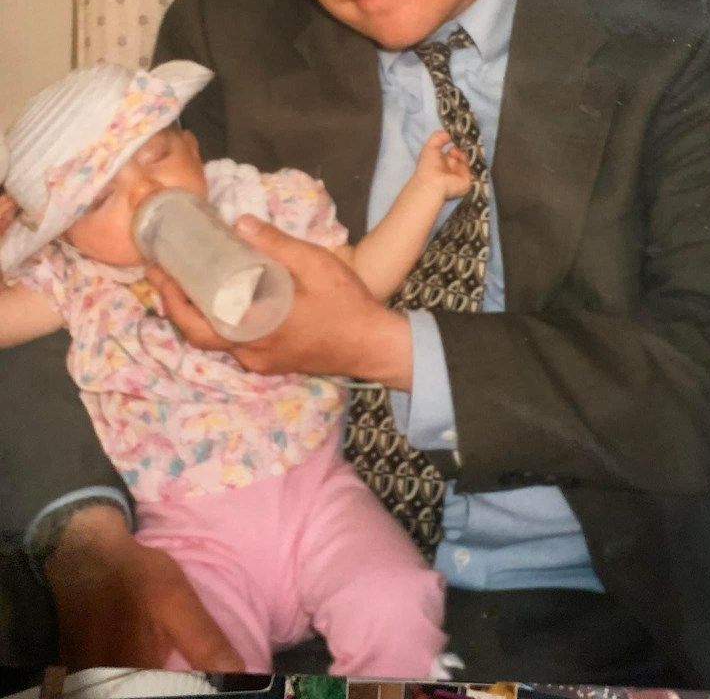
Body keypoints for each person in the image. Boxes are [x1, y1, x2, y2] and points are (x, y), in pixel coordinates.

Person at [0, 0, 710, 690]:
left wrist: (376, 344)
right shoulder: (229, 15)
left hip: (597, 596)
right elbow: (88, 269)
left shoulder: (681, 19)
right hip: (257, 572)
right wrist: (86, 540)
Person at [0, 58, 471, 677]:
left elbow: (358, 282)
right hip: (191, 538)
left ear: (195, 149)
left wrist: (426, 191)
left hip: (320, 498)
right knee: (176, 660)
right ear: (65, 235)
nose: (146, 194)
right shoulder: (78, 279)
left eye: (157, 156)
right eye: (102, 198)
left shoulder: (261, 214)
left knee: (395, 601)